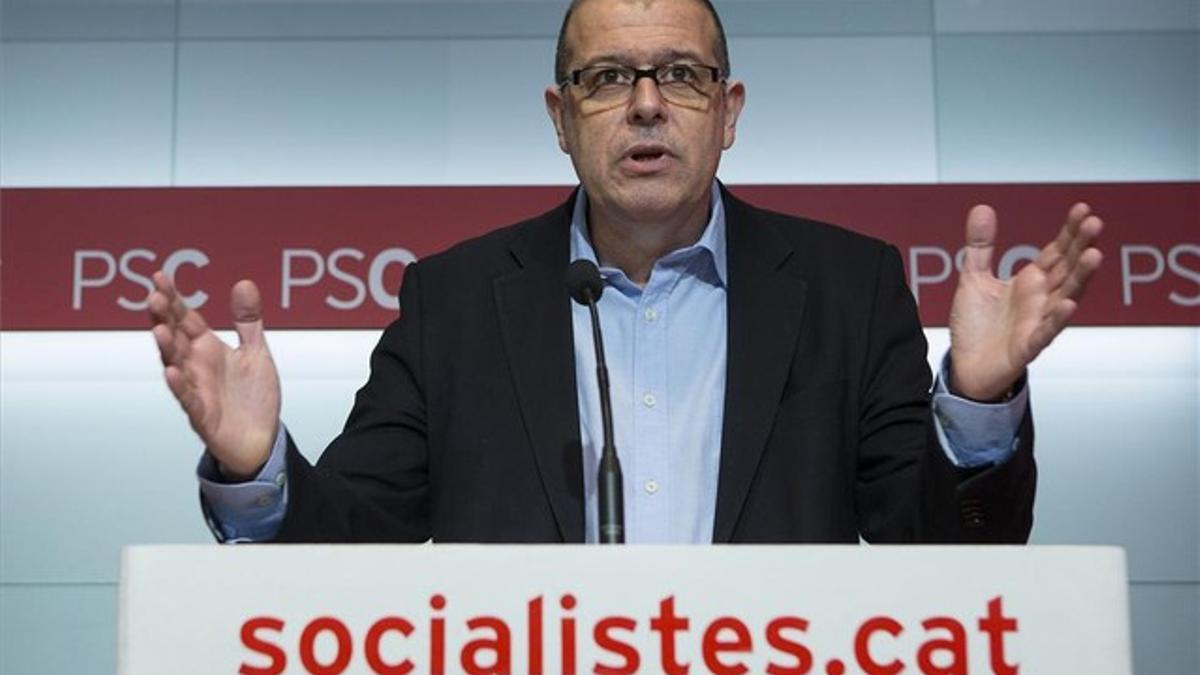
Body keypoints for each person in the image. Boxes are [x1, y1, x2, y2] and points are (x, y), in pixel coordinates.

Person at [149, 0, 1103, 544]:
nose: (646, 105)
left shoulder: (848, 289)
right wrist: (257, 467)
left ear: (727, 112)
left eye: (680, 76)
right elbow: (352, 554)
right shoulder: (455, 304)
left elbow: (943, 552)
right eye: (607, 80)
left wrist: (977, 409)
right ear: (561, 119)